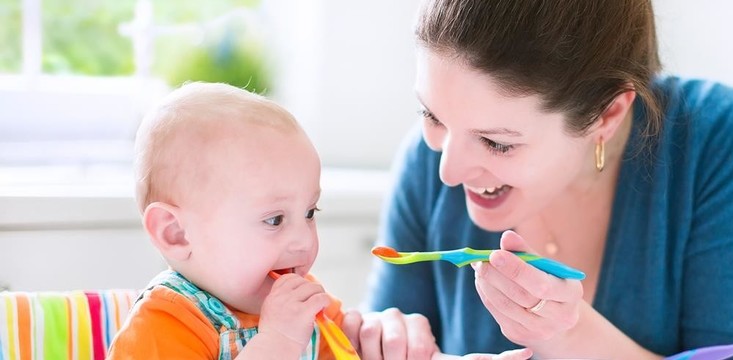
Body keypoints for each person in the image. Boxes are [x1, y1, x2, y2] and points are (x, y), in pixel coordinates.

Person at [363, 0, 733, 359]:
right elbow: (385, 327)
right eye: (431, 115)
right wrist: (373, 340)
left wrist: (568, 336)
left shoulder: (718, 140)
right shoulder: (428, 158)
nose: (448, 171)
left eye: (496, 143)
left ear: (607, 115)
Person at [108, 82, 531, 360]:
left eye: (310, 213)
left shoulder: (307, 306)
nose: (303, 241)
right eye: (274, 219)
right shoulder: (165, 323)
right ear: (176, 233)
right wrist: (278, 342)